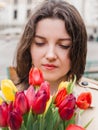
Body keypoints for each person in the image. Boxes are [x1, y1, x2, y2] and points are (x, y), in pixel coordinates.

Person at [12, 0, 98, 130]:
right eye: (40, 43)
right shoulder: (7, 101)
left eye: (64, 45)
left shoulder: (94, 100)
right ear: (28, 46)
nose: (51, 55)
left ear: (77, 49)